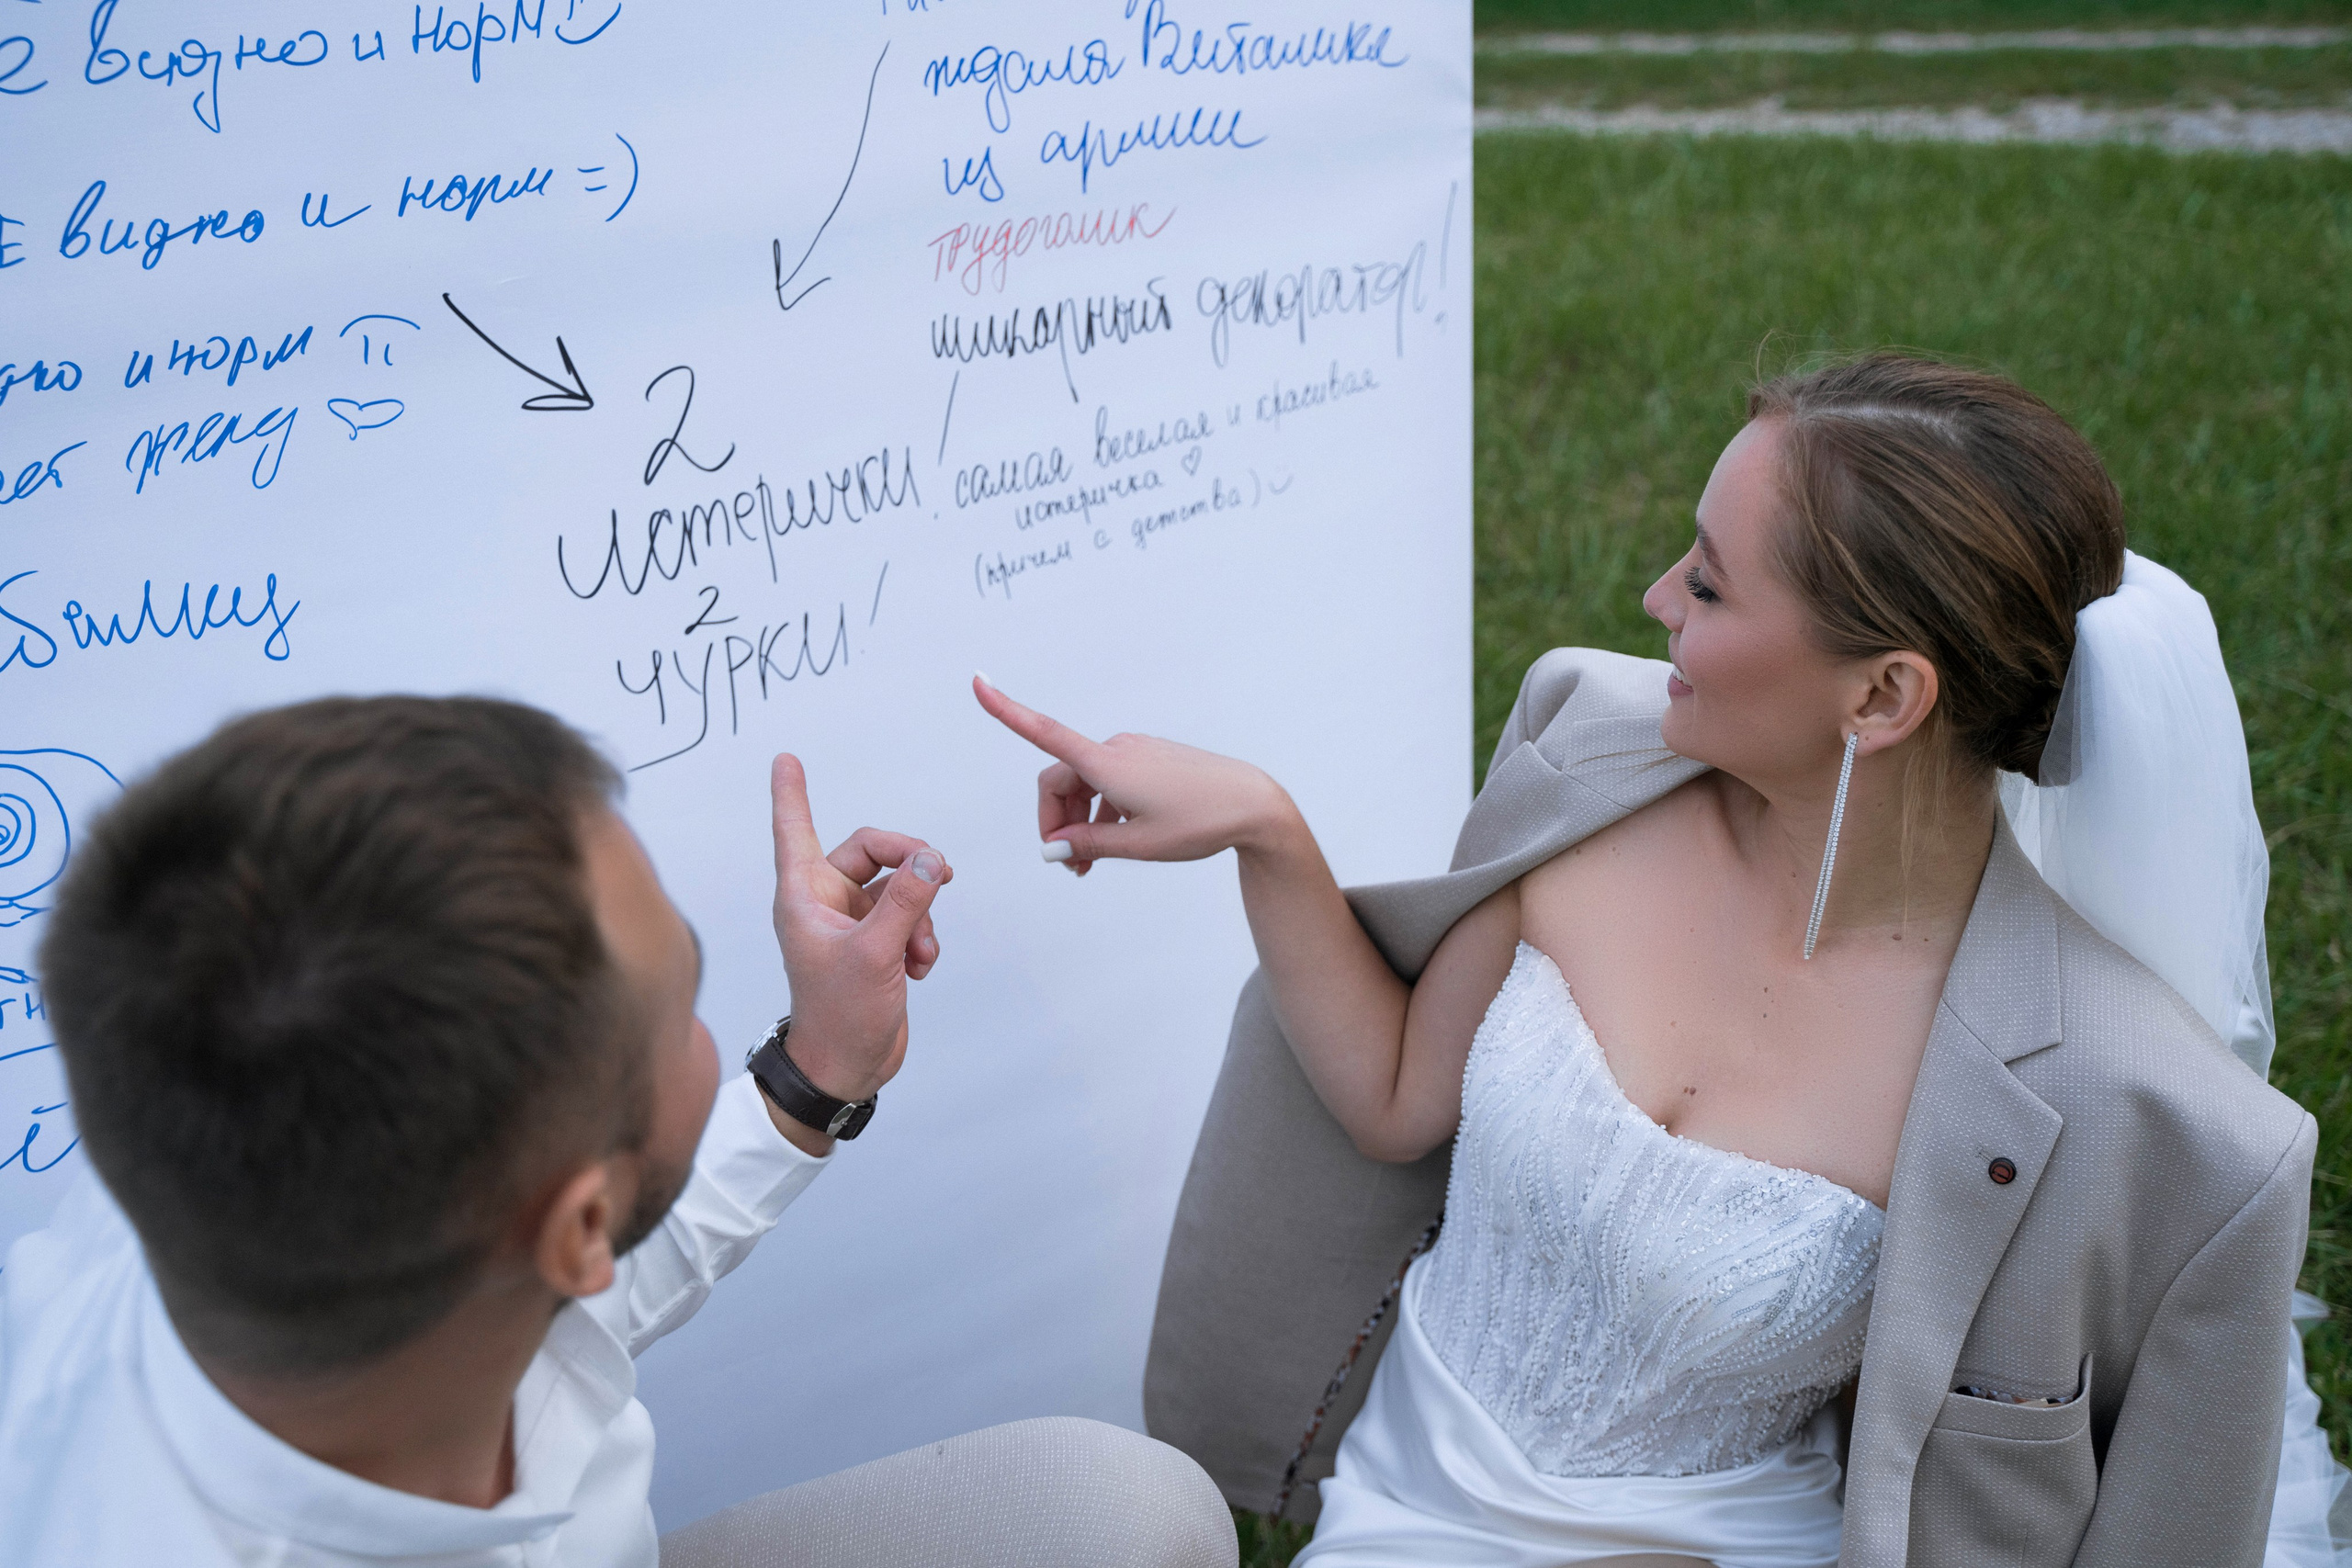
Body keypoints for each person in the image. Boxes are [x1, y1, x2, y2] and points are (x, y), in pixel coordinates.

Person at [978, 353, 2330, 1567]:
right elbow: (1397, 1100)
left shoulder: (2131, 1103)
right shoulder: (1595, 755)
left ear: (1884, 695)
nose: (1654, 599)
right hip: (1402, 1502)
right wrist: (1267, 832)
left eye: (1710, 581)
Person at [0, 697, 1237, 1568]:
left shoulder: (223, 1136)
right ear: (581, 1224)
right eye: (686, 999)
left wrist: (816, 1072)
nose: (710, 1017)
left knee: (1120, 1514)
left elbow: (551, 1270)